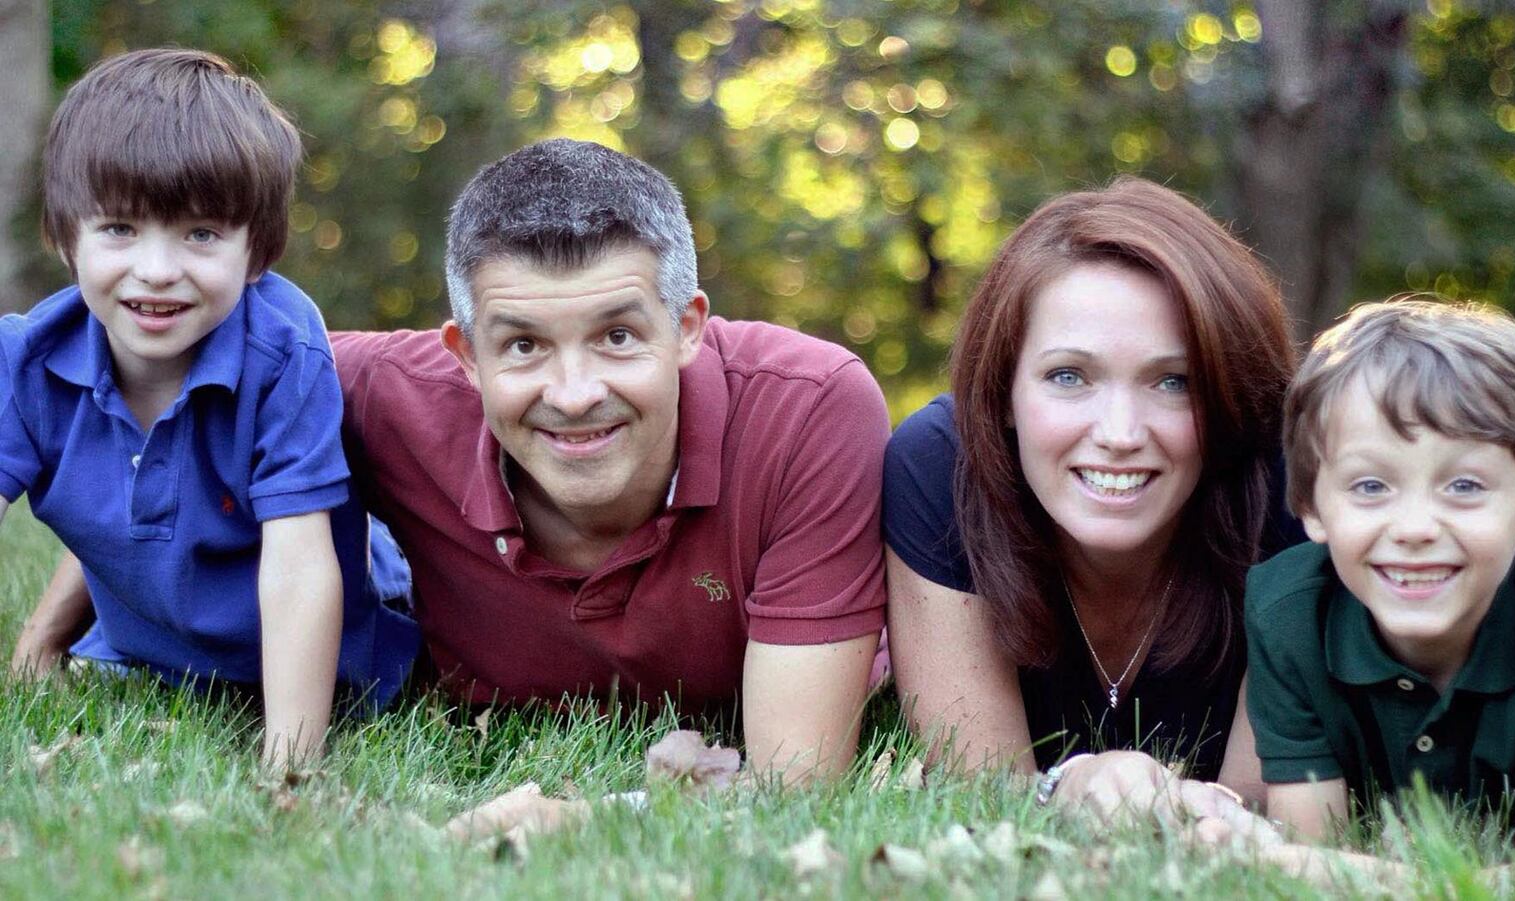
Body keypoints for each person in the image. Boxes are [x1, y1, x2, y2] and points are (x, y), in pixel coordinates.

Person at [329, 139, 889, 781]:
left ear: (687, 328)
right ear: (464, 355)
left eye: (617, 337)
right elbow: (224, 344)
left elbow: (795, 783)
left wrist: (561, 823)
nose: (574, 395)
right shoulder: (377, 393)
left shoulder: (808, 409)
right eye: (522, 344)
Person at [0, 49, 418, 766]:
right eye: (119, 229)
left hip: (319, 652)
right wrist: (42, 638)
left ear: (258, 251)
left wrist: (289, 768)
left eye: (201, 234)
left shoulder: (284, 356)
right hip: (155, 653)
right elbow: (116, 508)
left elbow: (298, 567)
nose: (157, 270)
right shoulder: (25, 360)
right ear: (66, 235)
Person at [883, 177, 1298, 813]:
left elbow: (1256, 820)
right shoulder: (940, 470)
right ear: (1004, 392)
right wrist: (1066, 789)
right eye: (1069, 376)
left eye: (1173, 382)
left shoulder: (1283, 482)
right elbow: (985, 797)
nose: (1120, 435)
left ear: (1226, 395)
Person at [1244, 298, 1515, 870]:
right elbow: (1308, 853)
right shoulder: (1287, 615)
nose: (1414, 529)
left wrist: (1380, 881)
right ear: (1311, 506)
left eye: (1463, 486)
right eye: (1369, 486)